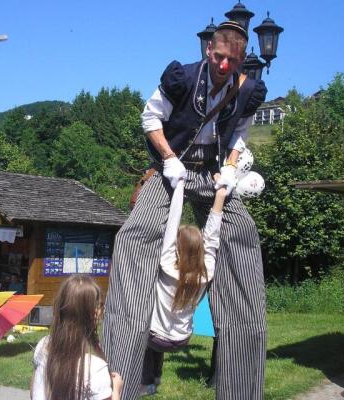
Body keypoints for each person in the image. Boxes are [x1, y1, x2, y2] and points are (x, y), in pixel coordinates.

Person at [102, 20, 267, 399]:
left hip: (212, 176)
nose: (225, 65)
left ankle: (241, 389)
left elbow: (240, 131)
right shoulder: (183, 78)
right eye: (220, 57)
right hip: (170, 169)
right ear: (209, 50)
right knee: (135, 235)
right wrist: (169, 158)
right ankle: (116, 383)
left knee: (243, 235)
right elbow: (149, 118)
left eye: (233, 60)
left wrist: (230, 166)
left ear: (242, 60)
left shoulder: (247, 90)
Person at [140, 177, 226, 395]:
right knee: (158, 330)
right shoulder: (206, 273)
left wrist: (179, 186)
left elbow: (171, 222)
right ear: (200, 250)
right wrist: (220, 195)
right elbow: (213, 236)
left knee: (146, 332)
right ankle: (154, 379)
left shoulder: (167, 265)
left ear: (177, 248)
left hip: (156, 337)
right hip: (182, 339)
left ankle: (147, 381)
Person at [31, 275, 123, 400]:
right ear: (94, 313)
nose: (102, 309)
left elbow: (35, 391)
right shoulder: (95, 367)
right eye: (101, 305)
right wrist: (116, 389)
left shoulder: (44, 344)